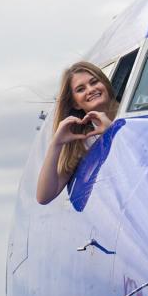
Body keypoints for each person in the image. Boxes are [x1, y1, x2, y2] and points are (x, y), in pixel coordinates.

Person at [36, 61, 118, 204]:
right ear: (75, 103)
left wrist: (112, 132)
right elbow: (44, 197)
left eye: (94, 82)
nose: (90, 89)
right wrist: (56, 143)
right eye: (80, 89)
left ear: (105, 84)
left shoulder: (139, 110)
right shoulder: (84, 141)